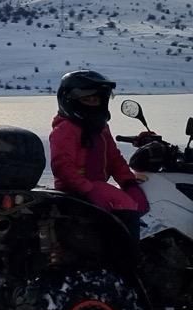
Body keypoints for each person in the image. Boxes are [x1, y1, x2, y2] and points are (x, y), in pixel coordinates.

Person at [50, 69, 147, 239]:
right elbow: (62, 166)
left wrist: (129, 183)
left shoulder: (100, 128)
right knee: (125, 205)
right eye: (87, 99)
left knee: (138, 202)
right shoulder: (65, 130)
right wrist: (87, 189)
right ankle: (127, 260)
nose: (93, 103)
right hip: (74, 190)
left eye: (96, 99)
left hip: (95, 185)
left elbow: (114, 158)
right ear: (70, 100)